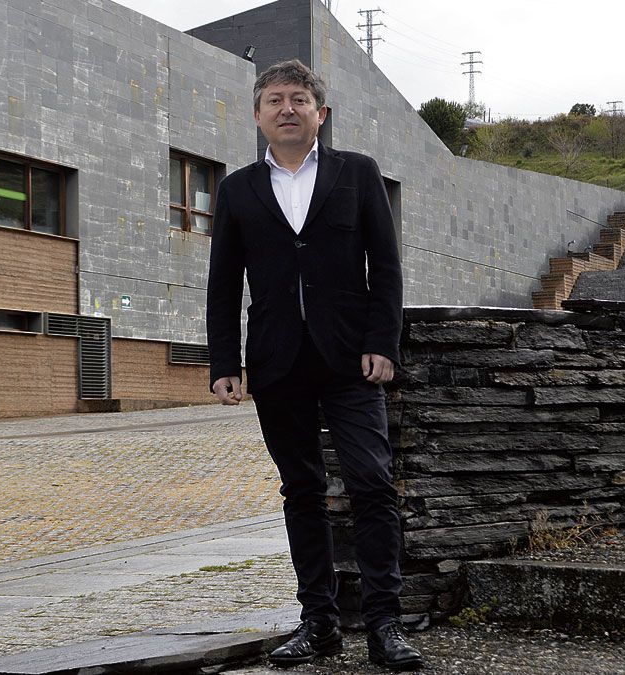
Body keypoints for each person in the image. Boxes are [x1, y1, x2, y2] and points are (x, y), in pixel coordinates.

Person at [205, 59, 423, 671]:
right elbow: (222, 284)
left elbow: (386, 266)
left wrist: (384, 342)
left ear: (319, 113)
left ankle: (385, 625)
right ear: (258, 116)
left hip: (352, 359)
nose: (287, 108)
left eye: (299, 98)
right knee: (302, 490)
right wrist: (225, 360)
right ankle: (319, 622)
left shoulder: (357, 174)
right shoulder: (237, 189)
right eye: (274, 99)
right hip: (276, 363)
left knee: (372, 483)